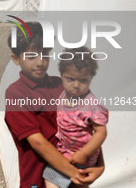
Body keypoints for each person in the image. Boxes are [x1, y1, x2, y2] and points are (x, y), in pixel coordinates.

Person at [5, 22, 105, 188]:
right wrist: (76, 174)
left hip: (77, 172)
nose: (40, 62)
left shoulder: (62, 85)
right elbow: (38, 143)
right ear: (16, 59)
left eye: (44, 54)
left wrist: (99, 165)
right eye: (31, 56)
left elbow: (88, 127)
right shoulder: (16, 94)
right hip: (39, 176)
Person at [43, 47, 108, 188]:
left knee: (79, 183)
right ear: (62, 76)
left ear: (91, 78)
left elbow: (101, 132)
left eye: (83, 80)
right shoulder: (63, 95)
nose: (76, 85)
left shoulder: (90, 105)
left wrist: (84, 154)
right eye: (70, 79)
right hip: (64, 152)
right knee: (50, 179)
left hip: (84, 157)